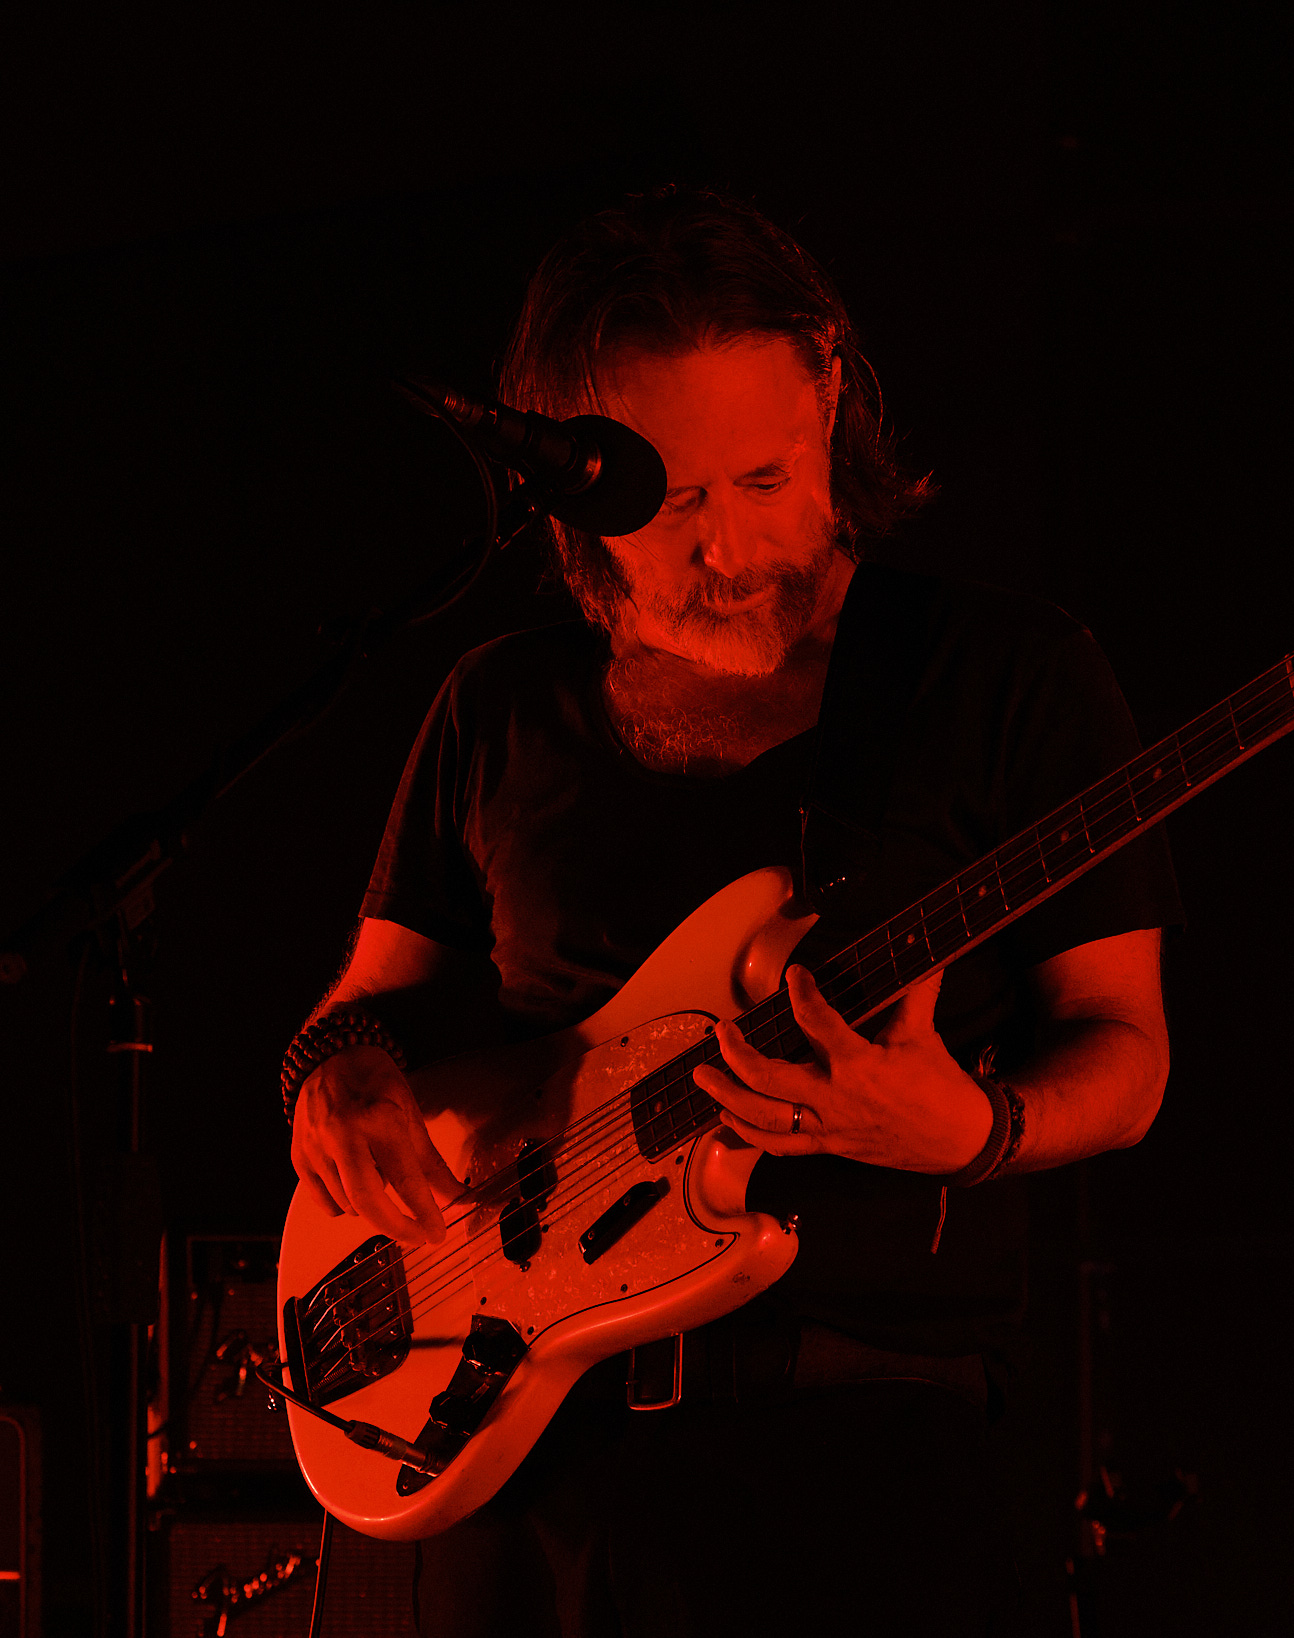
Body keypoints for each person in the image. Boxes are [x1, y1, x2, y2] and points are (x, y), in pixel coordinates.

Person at [282, 185, 1184, 1637]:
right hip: (530, 1469)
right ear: (571, 482)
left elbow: (1126, 1050)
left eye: (764, 479)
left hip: (870, 1465)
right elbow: (365, 1006)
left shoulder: (1004, 674)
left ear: (829, 389)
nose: (730, 546)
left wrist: (973, 1128)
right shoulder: (499, 704)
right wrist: (335, 1077)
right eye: (674, 501)